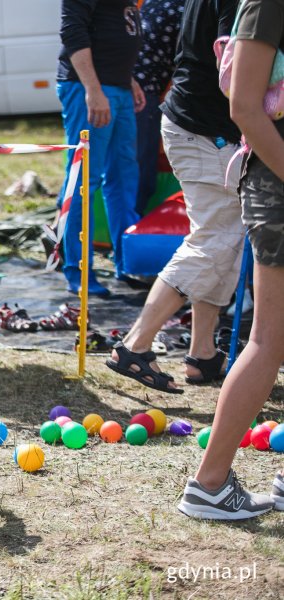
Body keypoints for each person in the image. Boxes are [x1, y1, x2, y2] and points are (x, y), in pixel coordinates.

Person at [178, 0, 284, 520]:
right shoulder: (266, 5)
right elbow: (244, 106)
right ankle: (210, 484)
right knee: (268, 341)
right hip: (278, 187)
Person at [106, 0, 242, 394]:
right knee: (214, 241)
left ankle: (202, 354)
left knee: (223, 240)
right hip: (204, 129)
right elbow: (233, 68)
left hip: (197, 125)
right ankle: (135, 345)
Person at [56, 0, 146, 297]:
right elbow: (73, 33)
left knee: (123, 177)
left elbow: (112, 29)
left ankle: (128, 262)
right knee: (85, 181)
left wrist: (127, 79)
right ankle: (78, 270)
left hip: (117, 87)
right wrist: (93, 90)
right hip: (89, 90)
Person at [133, 0, 185, 217]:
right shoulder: (183, 8)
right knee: (141, 168)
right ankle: (132, 228)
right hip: (144, 94)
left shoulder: (152, 3)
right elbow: (185, 61)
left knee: (131, 165)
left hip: (129, 86)